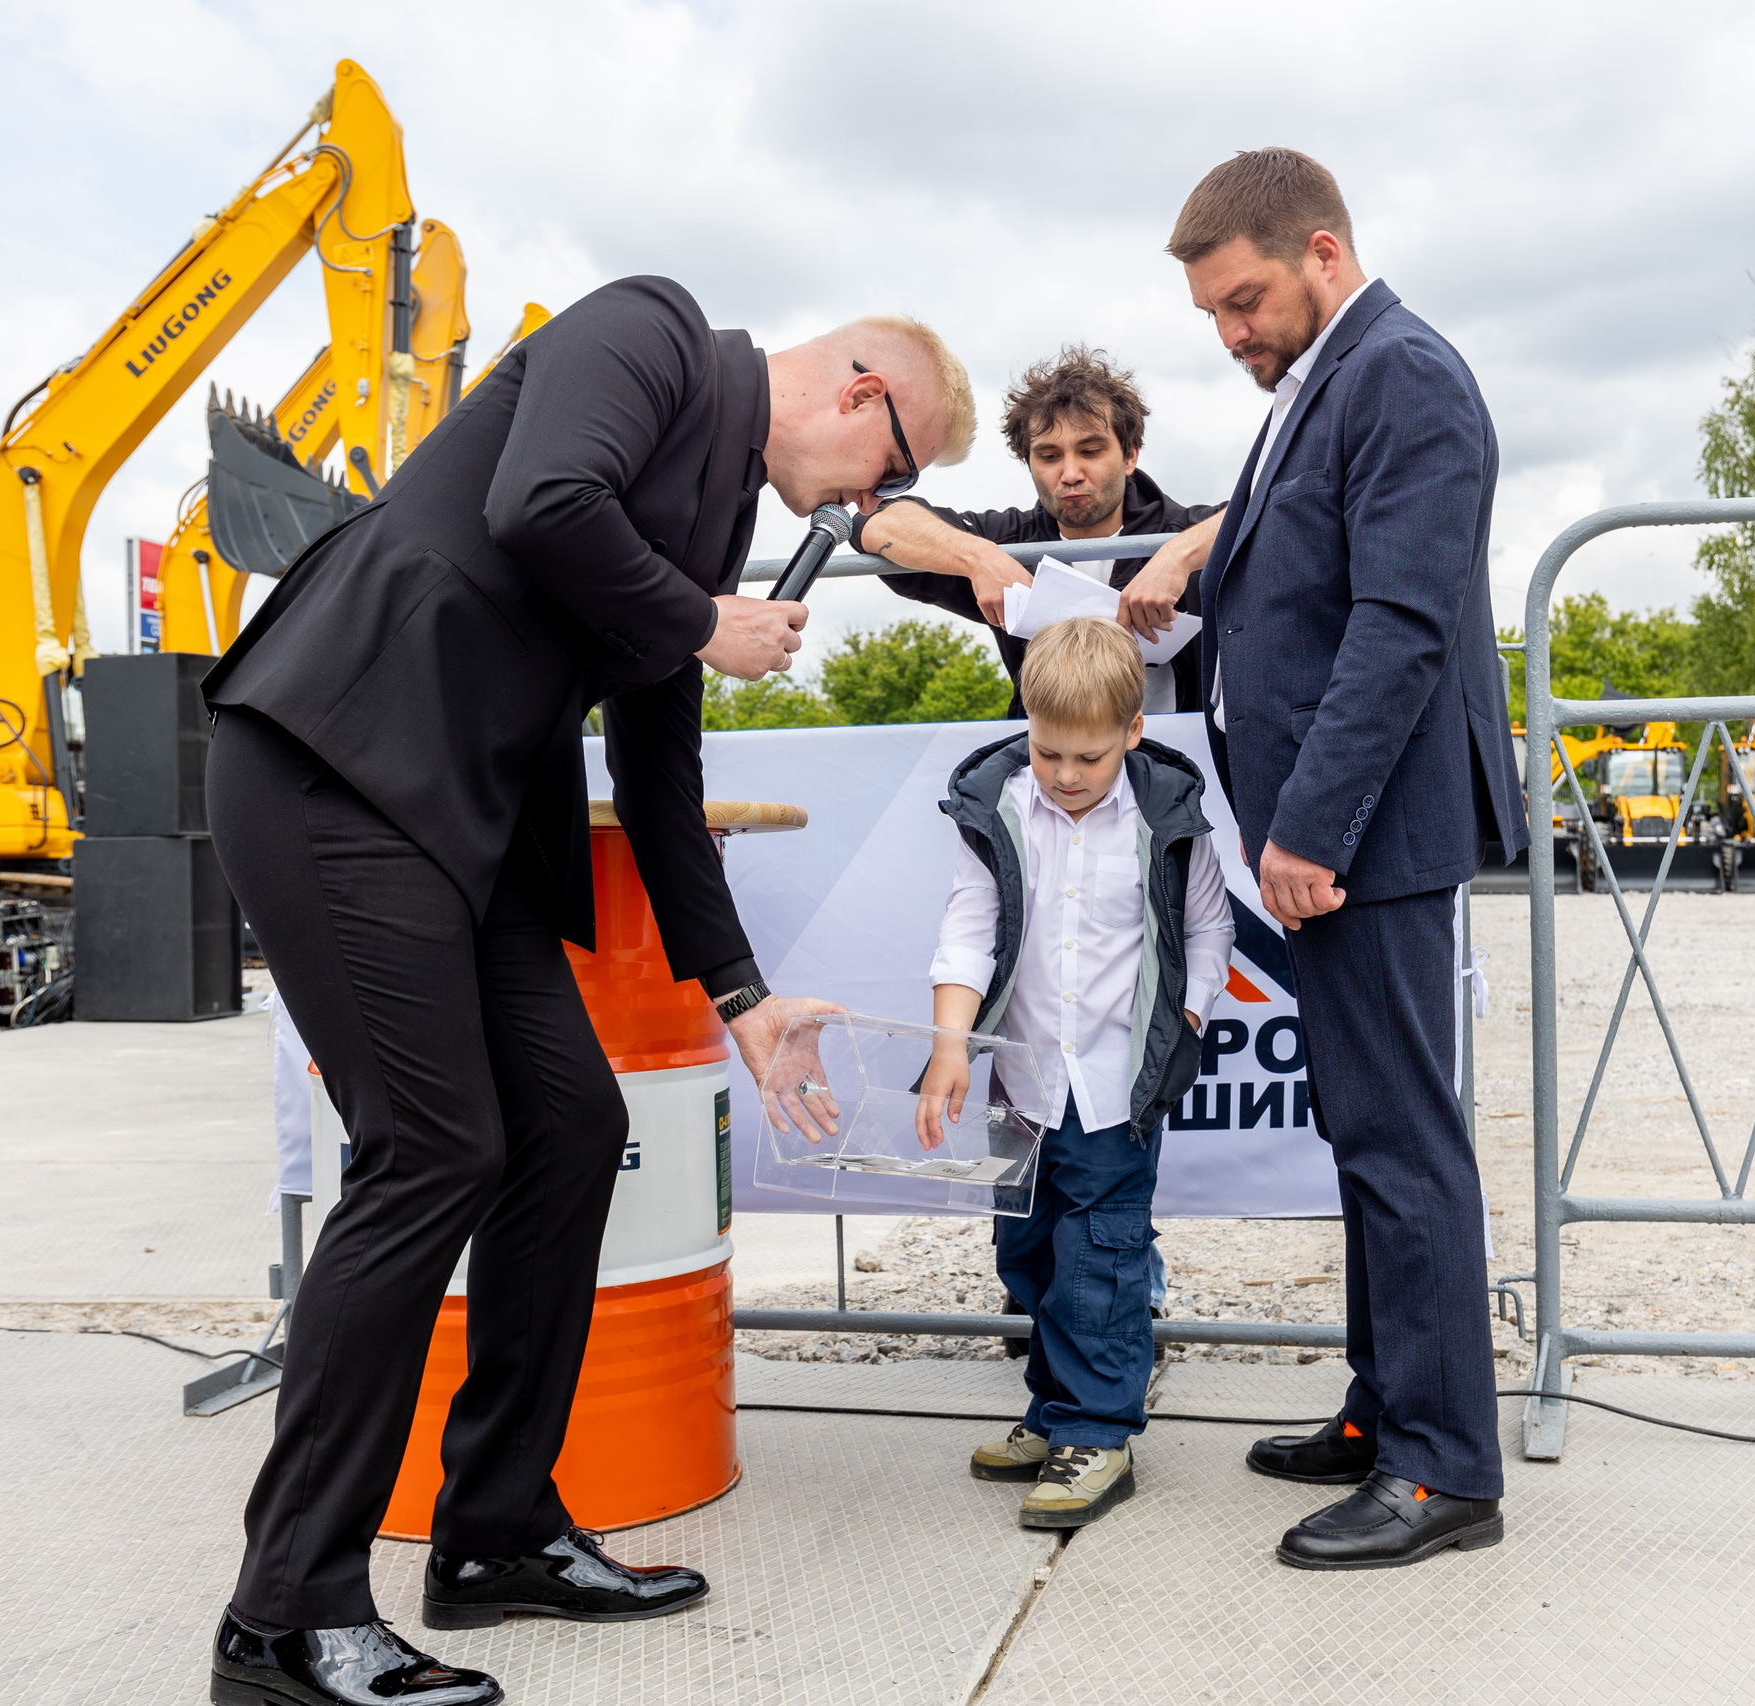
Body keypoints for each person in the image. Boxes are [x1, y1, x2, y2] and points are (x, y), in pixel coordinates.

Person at [197, 276, 975, 1706]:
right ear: (865, 393)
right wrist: (696, 620)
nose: (879, 501)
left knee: (564, 1122)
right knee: (433, 1149)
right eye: (902, 468)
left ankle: (493, 1529)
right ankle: (283, 1613)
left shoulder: (710, 526)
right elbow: (541, 503)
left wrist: (742, 998)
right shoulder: (654, 334)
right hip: (335, 758)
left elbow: (661, 781)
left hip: (460, 825)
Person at [1161, 149, 1526, 1569]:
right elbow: (1294, 565)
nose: (1233, 333)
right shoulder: (1328, 381)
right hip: (1331, 830)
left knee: (1400, 1138)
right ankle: (1389, 1407)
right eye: (1213, 316)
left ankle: (1445, 1469)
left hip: (1360, 833)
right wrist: (1191, 563)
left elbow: (1399, 626)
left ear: (1321, 250)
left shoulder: (1405, 376)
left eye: (1245, 300)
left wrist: (1307, 827)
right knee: (1365, 1127)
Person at [916, 617, 1233, 1529]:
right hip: (1020, 1083)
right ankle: (1053, 1411)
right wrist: (950, 1046)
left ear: (1134, 732)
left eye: (1087, 757)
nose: (1065, 774)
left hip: (1113, 1083)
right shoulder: (1004, 810)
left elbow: (1208, 929)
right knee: (1027, 1250)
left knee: (1101, 1257)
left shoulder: (1167, 817)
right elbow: (968, 930)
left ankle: (1097, 1430)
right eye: (1047, 750)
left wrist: (1185, 1013)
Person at [861, 346, 1227, 714]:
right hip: (1044, 762)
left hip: (1180, 759)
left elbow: (1265, 507)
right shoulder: (1007, 541)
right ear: (1029, 462)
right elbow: (876, 520)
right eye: (1049, 456)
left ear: (1130, 455)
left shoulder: (1184, 532)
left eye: (1091, 451)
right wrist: (978, 558)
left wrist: (1177, 558)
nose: (1070, 474)